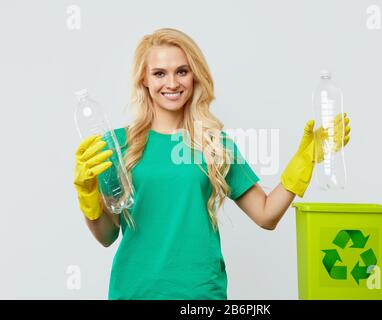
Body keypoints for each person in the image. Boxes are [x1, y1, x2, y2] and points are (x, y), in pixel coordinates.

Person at [73, 28, 351, 300]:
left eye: (182, 71)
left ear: (195, 76)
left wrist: (304, 161)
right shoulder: (117, 145)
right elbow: (107, 236)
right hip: (133, 292)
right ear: (144, 79)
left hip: (201, 294)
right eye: (159, 73)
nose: (172, 83)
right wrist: (88, 197)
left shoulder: (215, 144)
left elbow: (266, 215)